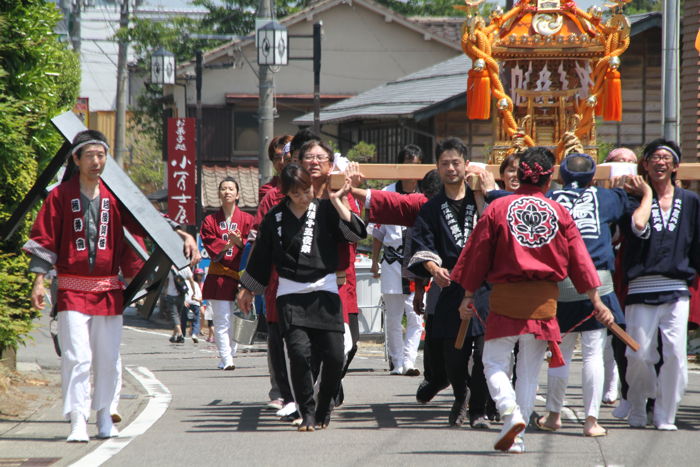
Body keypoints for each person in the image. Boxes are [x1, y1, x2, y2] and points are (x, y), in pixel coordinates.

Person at [451, 146, 614, 453]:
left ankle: (510, 413)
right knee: (528, 371)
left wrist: (469, 294)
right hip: (543, 302)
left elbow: (478, 255)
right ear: (548, 177)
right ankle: (518, 436)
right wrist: (596, 299)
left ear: (522, 173)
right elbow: (580, 260)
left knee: (493, 361)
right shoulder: (558, 211)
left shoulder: (498, 209)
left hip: (506, 298)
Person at [23, 130, 171, 441]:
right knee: (78, 356)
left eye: (101, 155)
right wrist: (38, 279)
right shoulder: (59, 197)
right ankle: (78, 419)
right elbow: (44, 239)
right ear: (76, 159)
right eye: (89, 155)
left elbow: (141, 231)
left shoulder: (115, 198)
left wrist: (178, 236)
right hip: (72, 289)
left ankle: (105, 415)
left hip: (107, 290)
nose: (96, 161)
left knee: (108, 356)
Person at [238, 164, 367, 431]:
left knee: (334, 356)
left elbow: (356, 233)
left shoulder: (325, 209)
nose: (303, 196)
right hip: (291, 294)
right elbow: (261, 256)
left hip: (325, 292)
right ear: (285, 193)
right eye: (296, 193)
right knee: (298, 355)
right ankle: (307, 412)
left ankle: (322, 408)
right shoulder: (274, 218)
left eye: (307, 190)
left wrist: (338, 202)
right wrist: (248, 288)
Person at [536, 152, 631, 436]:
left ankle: (553, 415)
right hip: (598, 281)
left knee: (560, 353)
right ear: (593, 178)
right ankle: (591, 421)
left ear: (561, 177)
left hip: (561, 283)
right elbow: (630, 204)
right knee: (592, 354)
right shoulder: (606, 198)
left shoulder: (550, 199)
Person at [407, 137, 493, 428]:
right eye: (445, 163)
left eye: (456, 162)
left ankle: (479, 410)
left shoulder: (481, 200)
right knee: (452, 358)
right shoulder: (431, 208)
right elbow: (420, 242)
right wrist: (432, 268)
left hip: (483, 286)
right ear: (437, 168)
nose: (451, 168)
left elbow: (497, 232)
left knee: (483, 354)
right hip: (450, 285)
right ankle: (461, 394)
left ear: (466, 165)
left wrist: (485, 193)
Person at [620, 138, 700, 430]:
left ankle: (665, 413)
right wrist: (644, 196)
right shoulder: (634, 199)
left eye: (666, 157)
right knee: (639, 353)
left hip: (677, 286)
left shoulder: (691, 201)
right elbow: (638, 227)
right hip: (641, 285)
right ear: (645, 164)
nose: (660, 162)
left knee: (676, 355)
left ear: (676, 165)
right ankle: (639, 403)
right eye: (654, 157)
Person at [370, 144, 424, 376]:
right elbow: (378, 233)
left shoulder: (426, 193)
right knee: (393, 315)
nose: (412, 172)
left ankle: (410, 360)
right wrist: (373, 261)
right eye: (408, 166)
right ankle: (397, 361)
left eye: (417, 167)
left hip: (418, 261)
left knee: (415, 314)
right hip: (392, 260)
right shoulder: (387, 192)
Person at [199, 177, 253, 370]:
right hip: (219, 276)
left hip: (241, 277)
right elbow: (209, 243)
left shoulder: (247, 219)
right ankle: (227, 358)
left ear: (238, 194)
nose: (227, 191)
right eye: (223, 189)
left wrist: (240, 243)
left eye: (231, 188)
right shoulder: (209, 220)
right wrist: (227, 244)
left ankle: (229, 355)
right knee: (222, 319)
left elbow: (253, 245)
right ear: (219, 194)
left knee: (237, 320)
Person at [164, 266, 194, 343]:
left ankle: (180, 335)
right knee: (178, 315)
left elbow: (166, 281)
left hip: (171, 294)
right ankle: (174, 336)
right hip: (181, 295)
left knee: (174, 315)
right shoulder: (186, 268)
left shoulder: (170, 268)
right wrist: (194, 292)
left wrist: (165, 290)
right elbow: (191, 280)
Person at [259, 134, 293, 201]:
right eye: (277, 158)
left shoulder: (307, 188)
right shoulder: (265, 192)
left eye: (287, 158)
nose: (282, 162)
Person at [183, 268, 204, 343]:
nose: (200, 277)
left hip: (187, 302)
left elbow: (182, 293)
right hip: (195, 303)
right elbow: (200, 298)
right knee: (196, 321)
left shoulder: (184, 282)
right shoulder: (196, 284)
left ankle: (182, 335)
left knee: (183, 320)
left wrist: (184, 301)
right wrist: (197, 299)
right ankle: (194, 334)